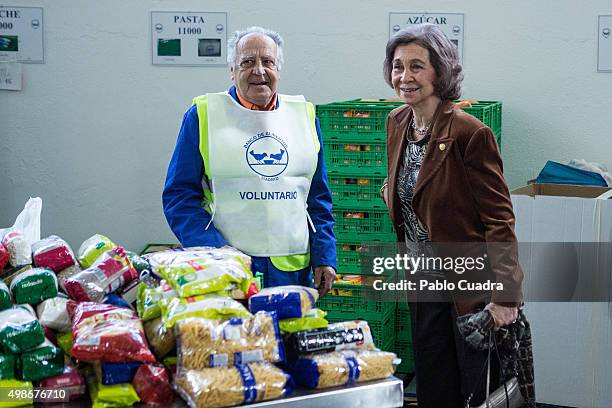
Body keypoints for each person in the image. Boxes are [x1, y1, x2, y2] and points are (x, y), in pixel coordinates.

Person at [381, 24, 532, 407]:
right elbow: (414, 188)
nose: (405, 76)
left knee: (478, 389)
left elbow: (500, 219)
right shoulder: (398, 123)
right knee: (434, 381)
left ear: (440, 71)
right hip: (422, 280)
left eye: (417, 66)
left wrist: (506, 296)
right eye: (398, 66)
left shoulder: (470, 133)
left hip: (470, 287)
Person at [163, 26, 336, 296]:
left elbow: (318, 197)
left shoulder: (303, 116)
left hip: (292, 271)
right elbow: (179, 197)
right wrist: (215, 251)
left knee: (291, 337)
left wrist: (325, 255)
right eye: (247, 62)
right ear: (232, 70)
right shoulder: (203, 116)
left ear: (279, 69)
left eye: (268, 62)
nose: (259, 71)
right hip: (226, 271)